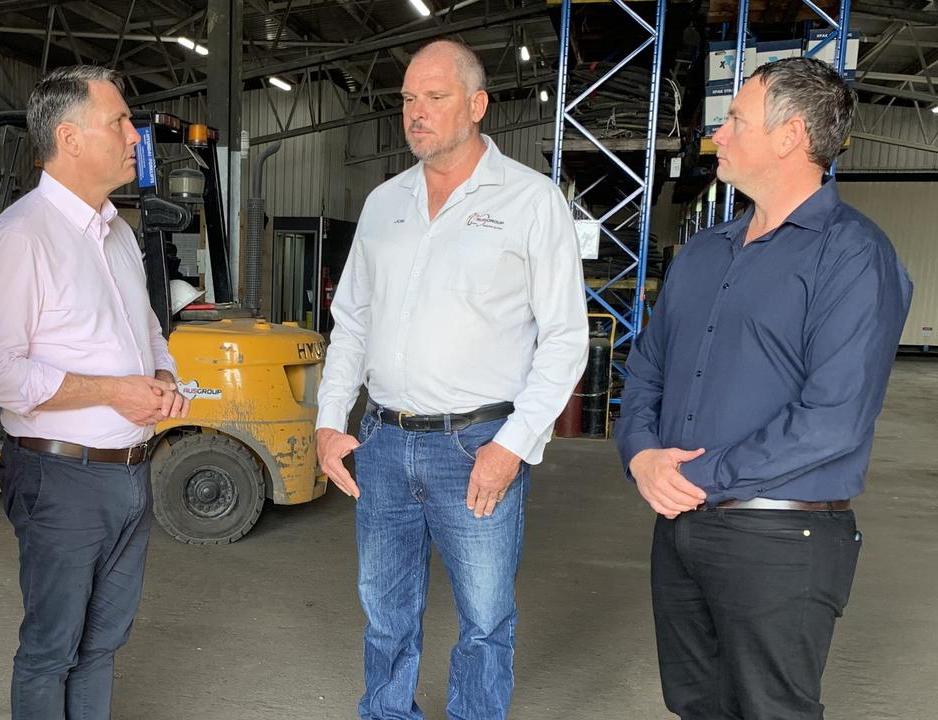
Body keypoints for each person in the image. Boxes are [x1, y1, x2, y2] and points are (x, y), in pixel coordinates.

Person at [615, 57, 913, 720]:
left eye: (736, 120)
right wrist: (641, 455)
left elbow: (832, 419)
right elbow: (647, 372)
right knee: (696, 705)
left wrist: (695, 475)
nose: (719, 134)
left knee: (770, 710)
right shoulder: (703, 253)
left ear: (789, 137)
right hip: (682, 529)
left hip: (781, 544)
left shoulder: (854, 255)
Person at [315, 39, 588, 720]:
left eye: (434, 96)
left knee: (487, 616)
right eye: (408, 98)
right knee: (385, 613)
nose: (417, 111)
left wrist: (515, 444)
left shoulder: (530, 201)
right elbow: (350, 322)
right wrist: (327, 422)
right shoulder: (384, 203)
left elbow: (564, 338)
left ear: (477, 104)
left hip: (478, 445)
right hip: (381, 442)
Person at [0, 65, 190, 720]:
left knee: (102, 643)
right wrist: (114, 392)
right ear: (68, 137)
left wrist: (164, 378)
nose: (134, 134)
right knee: (51, 649)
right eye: (118, 121)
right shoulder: (22, 237)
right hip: (60, 476)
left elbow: (146, 328)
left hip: (127, 473)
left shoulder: (116, 232)